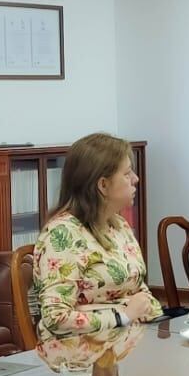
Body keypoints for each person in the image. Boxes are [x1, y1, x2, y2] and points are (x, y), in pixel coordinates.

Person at [33, 133, 161, 340]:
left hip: (125, 344)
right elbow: (55, 318)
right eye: (127, 174)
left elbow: (140, 291)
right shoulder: (62, 235)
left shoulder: (118, 224)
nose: (136, 179)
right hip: (79, 355)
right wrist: (123, 314)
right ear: (103, 185)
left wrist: (139, 309)